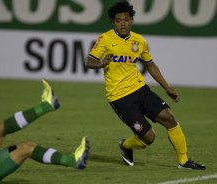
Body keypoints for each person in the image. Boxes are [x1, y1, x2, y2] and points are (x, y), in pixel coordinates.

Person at [85, 1, 205, 170]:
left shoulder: (139, 41)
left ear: (132, 20)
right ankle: (126, 145)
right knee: (149, 138)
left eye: (126, 19)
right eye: (118, 20)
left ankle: (184, 161)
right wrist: (101, 64)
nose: (122, 23)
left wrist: (167, 87)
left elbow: (150, 64)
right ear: (113, 22)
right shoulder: (105, 39)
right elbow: (89, 61)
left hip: (140, 89)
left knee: (169, 118)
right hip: (120, 97)